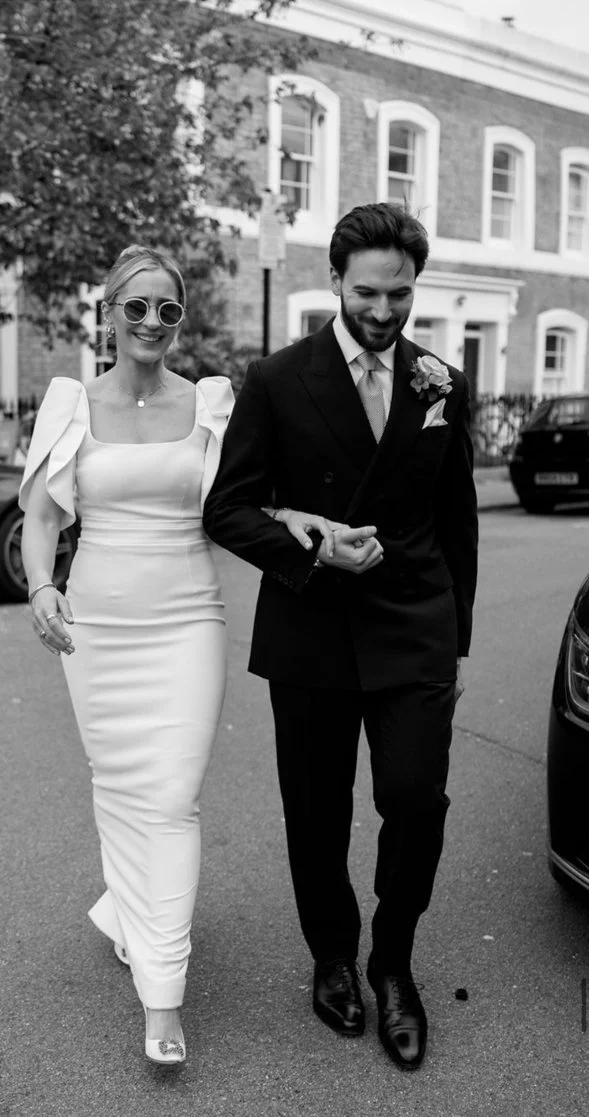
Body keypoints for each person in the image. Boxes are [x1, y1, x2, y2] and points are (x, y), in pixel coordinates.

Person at [18, 244, 325, 1067]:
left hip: (188, 619)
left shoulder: (212, 403)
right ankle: (130, 911)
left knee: (174, 795)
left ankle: (163, 992)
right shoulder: (70, 402)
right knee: (121, 787)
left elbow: (243, 502)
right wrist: (42, 586)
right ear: (108, 314)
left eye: (168, 309)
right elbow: (42, 518)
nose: (152, 322)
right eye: (136, 306)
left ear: (179, 318)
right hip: (98, 626)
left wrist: (294, 520)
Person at [203, 203, 478, 1071]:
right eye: (367, 293)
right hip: (312, 627)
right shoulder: (276, 379)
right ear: (333, 281)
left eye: (400, 293)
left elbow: (457, 520)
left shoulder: (441, 381)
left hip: (413, 626)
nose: (384, 311)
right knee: (316, 813)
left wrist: (455, 643)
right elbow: (227, 509)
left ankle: (391, 960)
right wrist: (312, 545)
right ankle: (331, 955)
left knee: (416, 800)